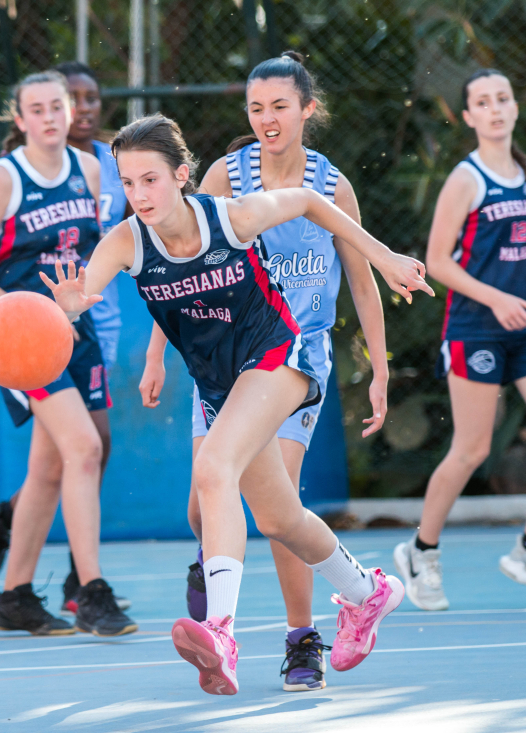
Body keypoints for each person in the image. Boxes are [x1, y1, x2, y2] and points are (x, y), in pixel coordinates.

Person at [40, 114, 432, 695]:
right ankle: (367, 592)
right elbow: (81, 294)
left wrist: (386, 257)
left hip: (280, 355)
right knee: (279, 519)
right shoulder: (127, 241)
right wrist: (68, 308)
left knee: (213, 468)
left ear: (181, 176)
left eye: (150, 180)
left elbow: (309, 201)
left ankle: (220, 631)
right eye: (127, 183)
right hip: (221, 384)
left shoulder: (230, 217)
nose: (139, 195)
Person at [139, 51, 389, 692]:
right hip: (226, 359)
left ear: (307, 109)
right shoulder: (227, 174)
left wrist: (380, 370)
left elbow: (363, 284)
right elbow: (180, 262)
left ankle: (300, 638)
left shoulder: (332, 187)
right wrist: (156, 352)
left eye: (280, 106)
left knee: (277, 501)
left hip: (293, 361)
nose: (267, 118)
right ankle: (344, 587)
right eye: (256, 108)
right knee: (208, 505)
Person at [0, 70, 136, 637]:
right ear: (20, 119)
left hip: (74, 330)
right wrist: (23, 315)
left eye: (58, 106)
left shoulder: (89, 170)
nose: (51, 117)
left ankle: (15, 596)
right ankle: (91, 591)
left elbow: (94, 252)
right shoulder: (4, 178)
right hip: (20, 338)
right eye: (38, 109)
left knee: (51, 465)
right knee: (83, 447)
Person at [392, 69, 526, 610]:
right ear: (469, 116)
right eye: (483, 102)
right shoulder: (465, 179)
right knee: (472, 449)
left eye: (503, 98)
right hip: (475, 328)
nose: (495, 108)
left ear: (515, 107)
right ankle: (421, 552)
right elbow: (437, 261)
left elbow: (525, 237)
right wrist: (495, 298)